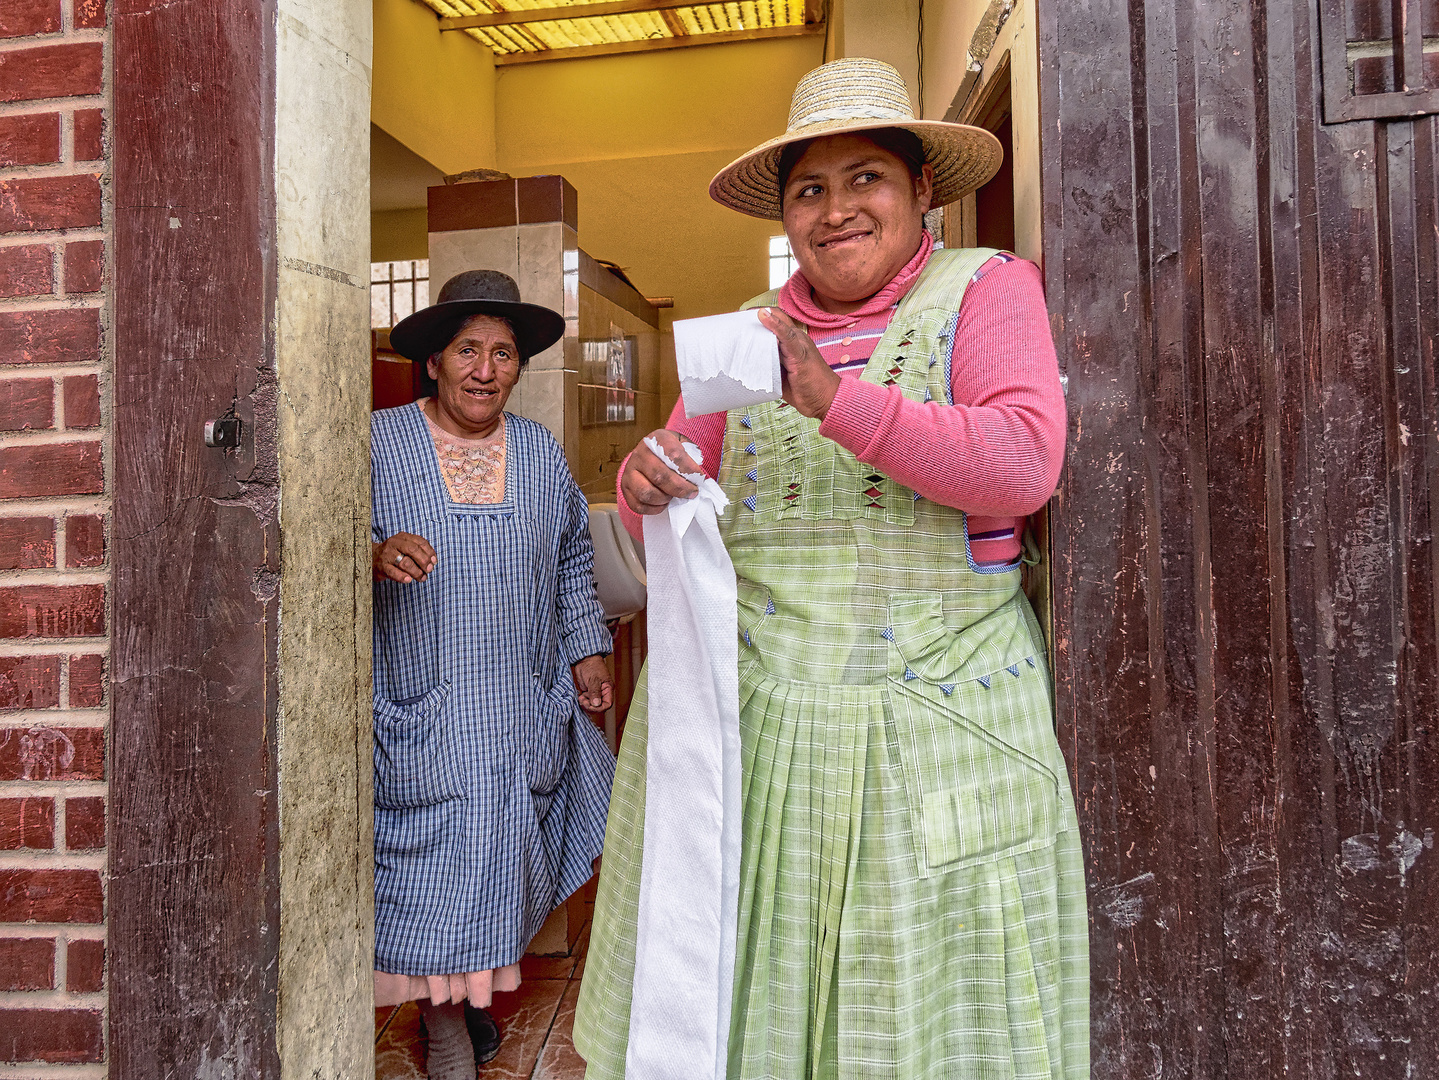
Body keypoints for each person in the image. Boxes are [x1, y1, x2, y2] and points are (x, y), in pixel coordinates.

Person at [573, 57, 1088, 1079]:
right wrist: (645, 474)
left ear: (919, 194)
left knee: (925, 1016)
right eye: (809, 188)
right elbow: (675, 470)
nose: (835, 209)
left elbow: (1022, 463)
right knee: (770, 996)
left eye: (865, 180)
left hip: (938, 726)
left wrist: (835, 398)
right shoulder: (744, 337)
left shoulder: (983, 290)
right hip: (767, 737)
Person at [371, 270, 617, 1079]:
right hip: (426, 698)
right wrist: (369, 554)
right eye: (468, 350)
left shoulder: (541, 453)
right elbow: (310, 540)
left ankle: (467, 1002)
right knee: (442, 860)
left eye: (503, 354)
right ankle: (445, 1025)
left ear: (518, 367)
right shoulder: (376, 443)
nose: (486, 370)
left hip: (516, 700)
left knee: (502, 857)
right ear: (434, 362)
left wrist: (587, 653)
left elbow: (573, 562)